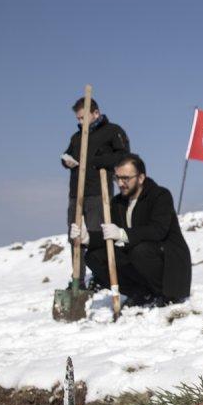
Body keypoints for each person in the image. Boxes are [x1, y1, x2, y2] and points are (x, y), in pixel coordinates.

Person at [71, 153, 191, 306]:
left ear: (141, 178)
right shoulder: (117, 203)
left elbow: (157, 230)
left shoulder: (160, 195)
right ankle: (140, 293)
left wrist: (122, 234)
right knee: (93, 256)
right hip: (136, 256)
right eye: (117, 178)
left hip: (168, 262)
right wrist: (87, 238)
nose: (120, 183)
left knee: (140, 251)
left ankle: (166, 295)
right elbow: (111, 236)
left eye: (125, 178)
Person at [61, 97, 130, 287]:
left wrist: (100, 161)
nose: (80, 122)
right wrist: (66, 161)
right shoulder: (77, 138)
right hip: (76, 193)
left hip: (99, 192)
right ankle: (78, 279)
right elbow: (67, 154)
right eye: (78, 119)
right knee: (75, 237)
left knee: (96, 236)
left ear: (96, 113)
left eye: (83, 118)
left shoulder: (112, 131)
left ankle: (101, 278)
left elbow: (124, 156)